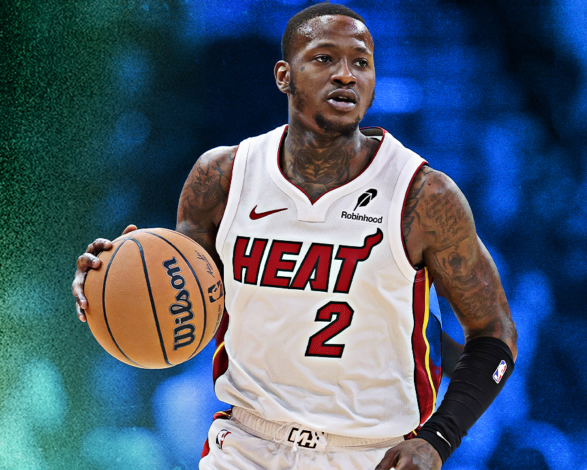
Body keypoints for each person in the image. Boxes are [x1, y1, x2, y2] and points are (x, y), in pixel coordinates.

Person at [72, 4, 517, 469]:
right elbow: (178, 302)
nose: (345, 75)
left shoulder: (423, 197)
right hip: (247, 444)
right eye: (325, 58)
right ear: (284, 76)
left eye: (361, 62)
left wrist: (438, 438)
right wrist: (111, 282)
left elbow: (495, 335)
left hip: (367, 452)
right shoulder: (221, 177)